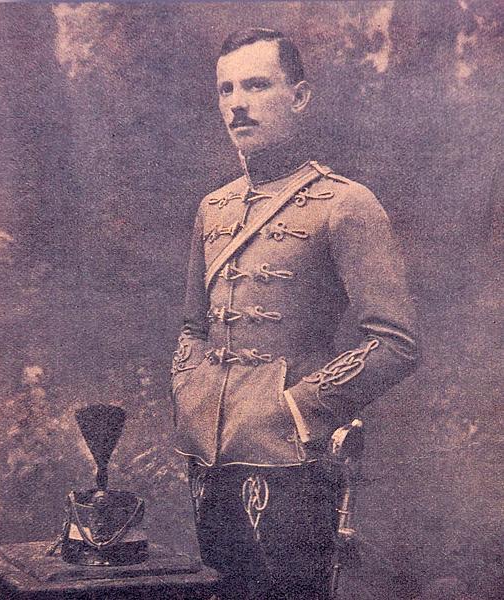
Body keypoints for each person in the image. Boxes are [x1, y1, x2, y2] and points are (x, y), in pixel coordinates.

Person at [170, 28, 419, 600]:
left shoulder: (346, 203)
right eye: (227, 89)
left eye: (257, 85)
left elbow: (395, 341)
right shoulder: (213, 207)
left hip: (293, 454)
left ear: (299, 96)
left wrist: (299, 408)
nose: (238, 104)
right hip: (210, 451)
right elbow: (193, 326)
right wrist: (190, 392)